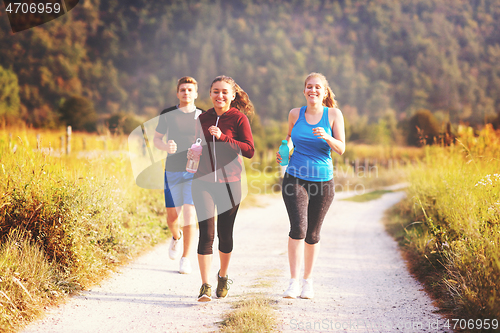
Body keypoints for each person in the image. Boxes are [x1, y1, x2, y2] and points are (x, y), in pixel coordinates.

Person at [276, 72, 345, 299]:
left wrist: (327, 136)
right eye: (309, 87)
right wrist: (284, 152)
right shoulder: (295, 114)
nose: (313, 90)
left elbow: (341, 148)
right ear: (304, 90)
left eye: (317, 87)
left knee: (313, 234)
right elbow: (289, 137)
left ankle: (308, 282)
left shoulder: (333, 114)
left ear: (324, 92)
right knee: (298, 229)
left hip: (323, 181)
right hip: (294, 177)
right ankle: (293, 282)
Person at [190, 75, 255, 302]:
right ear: (210, 94)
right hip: (203, 182)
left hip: (230, 183)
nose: (220, 96)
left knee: (224, 236)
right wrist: (192, 153)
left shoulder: (239, 119)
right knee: (206, 235)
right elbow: (196, 143)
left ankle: (223, 276)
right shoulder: (203, 118)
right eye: (216, 91)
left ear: (233, 95)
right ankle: (205, 285)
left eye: (225, 92)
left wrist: (225, 138)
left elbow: (249, 150)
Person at [153, 76, 204, 274]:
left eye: (190, 90)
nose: (186, 93)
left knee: (190, 214)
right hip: (172, 170)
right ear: (177, 93)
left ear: (196, 94)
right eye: (183, 90)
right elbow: (157, 139)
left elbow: (209, 143)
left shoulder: (203, 116)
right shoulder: (168, 114)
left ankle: (186, 258)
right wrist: (165, 146)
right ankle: (176, 237)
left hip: (194, 171)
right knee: (172, 217)